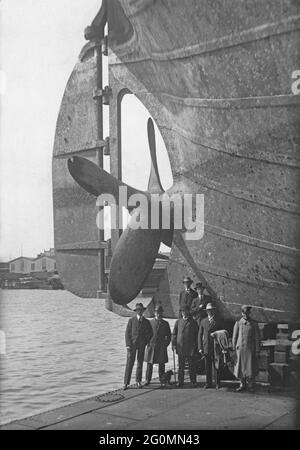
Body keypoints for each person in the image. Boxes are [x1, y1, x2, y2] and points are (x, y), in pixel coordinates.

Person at [123, 303, 153, 390]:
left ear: (143, 311)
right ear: (136, 311)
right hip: (132, 345)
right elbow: (127, 333)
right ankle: (126, 383)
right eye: (138, 310)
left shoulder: (146, 322)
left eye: (141, 310)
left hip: (141, 345)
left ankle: (138, 381)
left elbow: (150, 333)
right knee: (129, 363)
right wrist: (128, 345)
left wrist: (145, 342)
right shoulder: (131, 321)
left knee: (140, 363)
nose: (140, 312)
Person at [232, 305, 260, 392]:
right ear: (241, 313)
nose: (245, 315)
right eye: (244, 313)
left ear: (249, 313)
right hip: (240, 349)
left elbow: (257, 338)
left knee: (250, 367)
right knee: (240, 367)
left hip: (250, 349)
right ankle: (242, 384)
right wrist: (233, 348)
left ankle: (250, 384)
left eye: (247, 313)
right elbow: (234, 337)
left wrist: (257, 350)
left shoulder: (254, 324)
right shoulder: (238, 323)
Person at [144, 305, 171, 386]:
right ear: (154, 313)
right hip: (151, 346)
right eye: (157, 312)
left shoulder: (165, 323)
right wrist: (147, 343)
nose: (158, 314)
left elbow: (169, 336)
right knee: (149, 364)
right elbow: (146, 334)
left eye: (160, 312)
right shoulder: (150, 322)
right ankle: (147, 380)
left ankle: (162, 380)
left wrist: (165, 344)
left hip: (161, 346)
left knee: (161, 364)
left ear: (162, 313)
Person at [172, 305, 199, 387]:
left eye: (186, 311)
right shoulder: (178, 322)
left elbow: (197, 335)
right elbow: (174, 334)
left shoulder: (193, 322)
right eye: (183, 311)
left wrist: (196, 346)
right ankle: (180, 382)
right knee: (181, 366)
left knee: (192, 366)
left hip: (190, 348)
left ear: (188, 311)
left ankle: (193, 381)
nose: (184, 313)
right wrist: (173, 344)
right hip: (181, 348)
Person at [198, 302, 223, 389]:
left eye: (212, 310)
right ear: (206, 312)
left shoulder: (219, 321)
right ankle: (208, 383)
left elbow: (223, 334)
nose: (210, 312)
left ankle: (217, 383)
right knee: (207, 366)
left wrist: (216, 335)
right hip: (206, 347)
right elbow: (200, 335)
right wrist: (200, 347)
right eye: (208, 311)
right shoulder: (203, 321)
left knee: (217, 366)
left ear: (214, 311)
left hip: (216, 346)